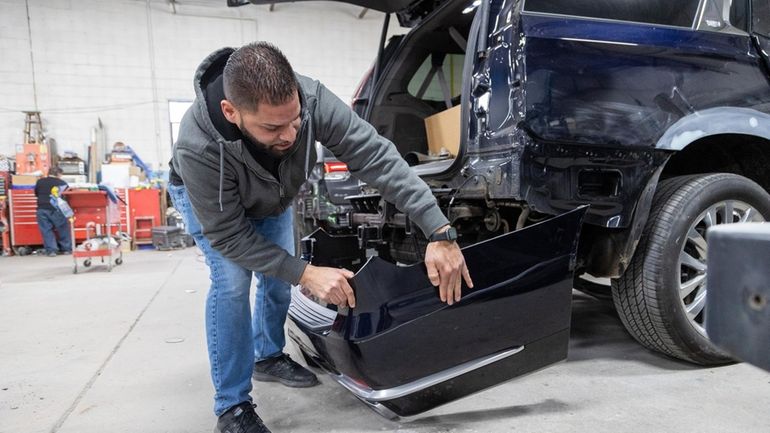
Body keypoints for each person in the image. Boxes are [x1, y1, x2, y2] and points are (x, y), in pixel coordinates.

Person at [168, 42, 473, 433]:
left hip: (272, 196)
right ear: (232, 112)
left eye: (295, 121)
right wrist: (305, 273)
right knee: (231, 282)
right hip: (213, 203)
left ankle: (267, 356)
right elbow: (228, 236)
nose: (291, 136)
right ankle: (232, 404)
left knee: (278, 282)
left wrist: (439, 229)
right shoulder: (199, 145)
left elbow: (374, 156)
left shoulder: (311, 98)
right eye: (273, 128)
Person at [34, 166, 72, 256]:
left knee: (46, 230)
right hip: (56, 209)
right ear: (58, 174)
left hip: (42, 209)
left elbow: (36, 193)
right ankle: (66, 249)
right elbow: (66, 196)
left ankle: (52, 251)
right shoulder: (62, 183)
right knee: (62, 228)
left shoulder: (40, 181)